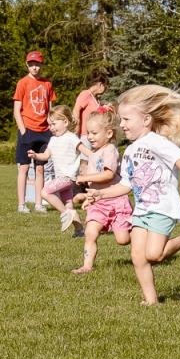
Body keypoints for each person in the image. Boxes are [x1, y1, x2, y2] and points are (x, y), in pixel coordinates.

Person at [78, 86, 180, 304]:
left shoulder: (157, 141)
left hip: (162, 207)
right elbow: (126, 184)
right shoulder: (130, 151)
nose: (122, 124)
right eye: (121, 120)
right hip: (141, 210)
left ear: (146, 120)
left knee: (154, 255)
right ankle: (151, 301)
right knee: (137, 256)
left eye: (126, 119)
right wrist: (100, 194)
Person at [70, 111, 124, 274]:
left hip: (116, 201)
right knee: (90, 233)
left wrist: (84, 177)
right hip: (98, 203)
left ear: (109, 133)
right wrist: (88, 197)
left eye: (94, 133)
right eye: (88, 133)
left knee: (123, 239)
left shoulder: (110, 150)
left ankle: (145, 247)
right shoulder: (93, 154)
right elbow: (94, 185)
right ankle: (87, 266)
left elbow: (108, 175)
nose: (89, 137)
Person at [13, 49, 55, 213]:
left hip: (44, 132)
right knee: (24, 168)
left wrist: (51, 127)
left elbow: (50, 109)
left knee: (40, 168)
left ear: (41, 65)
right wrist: (23, 131)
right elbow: (17, 110)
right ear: (27, 65)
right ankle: (21, 204)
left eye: (37, 64)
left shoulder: (47, 84)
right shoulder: (22, 83)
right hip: (28, 130)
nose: (34, 67)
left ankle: (38, 203)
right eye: (31, 64)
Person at [27, 105, 81, 230]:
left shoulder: (72, 138)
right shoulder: (53, 140)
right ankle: (79, 229)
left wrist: (95, 156)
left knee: (45, 192)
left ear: (65, 122)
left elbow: (85, 150)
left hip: (67, 177)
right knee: (69, 205)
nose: (50, 127)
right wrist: (36, 155)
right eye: (49, 125)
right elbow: (46, 156)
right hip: (61, 178)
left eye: (53, 124)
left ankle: (66, 213)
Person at [72, 70, 108, 136]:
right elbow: (76, 111)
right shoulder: (86, 94)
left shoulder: (95, 98)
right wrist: (77, 129)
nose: (106, 89)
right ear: (100, 84)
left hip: (93, 134)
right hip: (84, 135)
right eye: (105, 86)